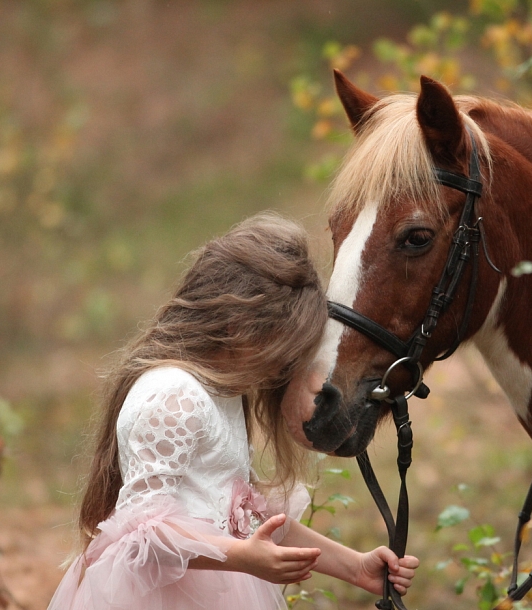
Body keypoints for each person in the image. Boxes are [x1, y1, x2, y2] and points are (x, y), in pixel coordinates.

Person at [49, 213, 419, 610]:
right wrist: (241, 557)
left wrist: (355, 567)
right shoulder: (174, 396)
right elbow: (141, 535)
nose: (283, 369)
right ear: (239, 327)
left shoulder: (222, 393)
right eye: (282, 349)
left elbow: (246, 519)